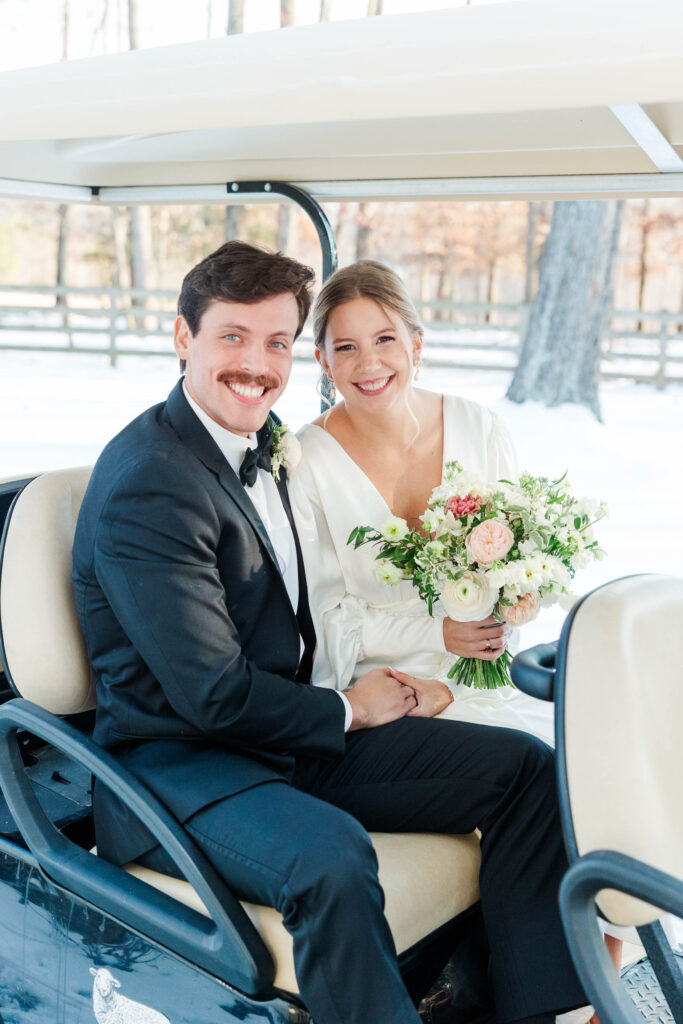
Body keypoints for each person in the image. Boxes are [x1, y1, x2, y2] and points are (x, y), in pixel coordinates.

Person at [73, 241, 587, 1024]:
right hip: (182, 762)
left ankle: (535, 1012)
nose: (256, 363)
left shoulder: (265, 443)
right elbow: (211, 695)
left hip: (283, 730)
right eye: (232, 338)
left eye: (276, 342)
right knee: (331, 860)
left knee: (524, 770)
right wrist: (352, 708)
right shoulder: (151, 483)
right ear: (183, 338)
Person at [288, 258, 623, 1012]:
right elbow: (326, 622)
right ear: (321, 361)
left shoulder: (477, 425)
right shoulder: (304, 461)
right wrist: (436, 634)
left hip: (481, 670)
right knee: (540, 770)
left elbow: (517, 571)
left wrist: (516, 600)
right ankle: (558, 994)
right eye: (344, 348)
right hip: (383, 696)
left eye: (383, 340)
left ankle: (591, 953)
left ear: (416, 342)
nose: (367, 364)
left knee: (602, 751)